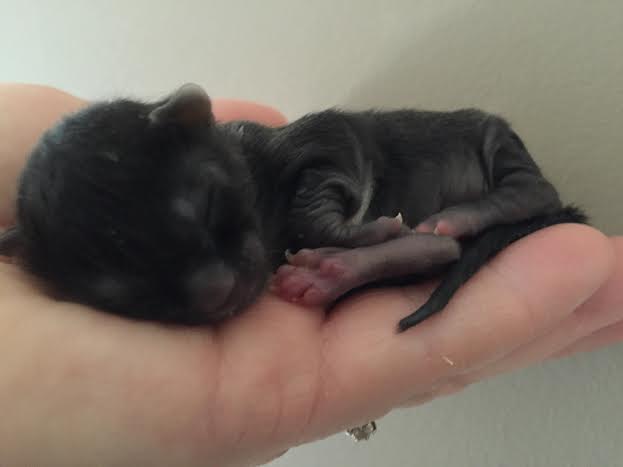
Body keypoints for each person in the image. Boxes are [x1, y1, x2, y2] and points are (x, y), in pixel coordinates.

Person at [0, 83, 621, 466]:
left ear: (196, 125)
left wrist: (325, 227)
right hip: (415, 219)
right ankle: (426, 246)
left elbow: (332, 141)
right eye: (135, 292)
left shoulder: (247, 145)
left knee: (514, 185)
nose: (215, 286)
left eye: (215, 216)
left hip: (470, 149)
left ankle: (492, 213)